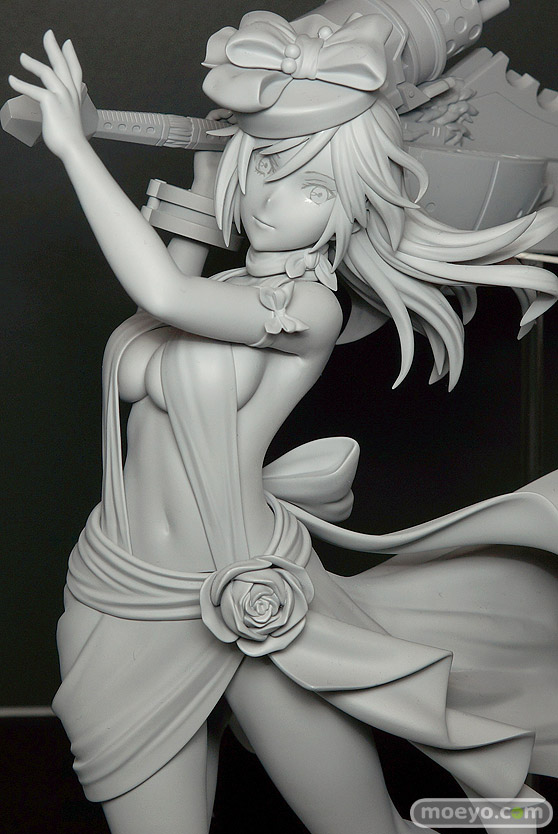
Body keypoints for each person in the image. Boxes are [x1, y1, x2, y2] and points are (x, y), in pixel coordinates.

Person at [9, 14, 558, 834]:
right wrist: (204, 179)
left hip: (252, 602)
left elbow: (163, 294)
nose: (273, 199)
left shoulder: (308, 309)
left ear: (350, 212)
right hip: (118, 589)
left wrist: (73, 151)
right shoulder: (226, 289)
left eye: (316, 188)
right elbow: (157, 313)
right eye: (268, 166)